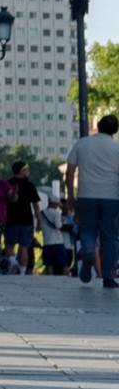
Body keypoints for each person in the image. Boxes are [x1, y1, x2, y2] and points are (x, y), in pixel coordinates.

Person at [76, 115, 119, 288]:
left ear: (99, 126)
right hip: (112, 197)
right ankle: (108, 276)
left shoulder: (82, 143)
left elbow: (71, 170)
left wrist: (71, 198)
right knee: (110, 237)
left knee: (88, 229)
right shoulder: (116, 149)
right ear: (115, 130)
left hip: (86, 194)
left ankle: (88, 253)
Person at [6, 163, 41, 275]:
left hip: (10, 219)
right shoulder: (30, 185)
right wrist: (39, 221)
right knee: (24, 247)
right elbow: (35, 205)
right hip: (26, 220)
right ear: (22, 171)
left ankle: (12, 261)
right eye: (27, 170)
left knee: (9, 245)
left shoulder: (7, 183)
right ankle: (22, 271)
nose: (28, 173)